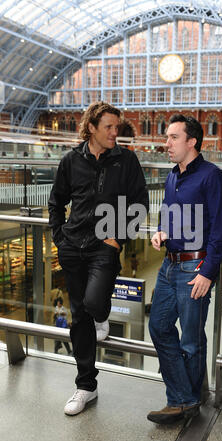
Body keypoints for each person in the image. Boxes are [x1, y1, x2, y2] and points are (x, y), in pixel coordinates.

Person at [48, 101, 149, 415]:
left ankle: (101, 314)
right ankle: (85, 387)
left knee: (92, 305)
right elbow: (56, 202)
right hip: (72, 248)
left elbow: (140, 204)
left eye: (117, 127)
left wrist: (118, 239)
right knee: (79, 319)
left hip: (105, 247)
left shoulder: (126, 161)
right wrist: (59, 237)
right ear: (91, 127)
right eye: (108, 127)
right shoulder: (70, 161)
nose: (115, 132)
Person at [147, 114, 222, 424]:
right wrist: (161, 231)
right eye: (167, 137)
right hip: (169, 267)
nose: (166, 143)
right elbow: (169, 216)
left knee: (192, 340)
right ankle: (187, 396)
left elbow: (219, 230)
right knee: (158, 327)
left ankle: (185, 401)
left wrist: (207, 272)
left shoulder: (212, 177)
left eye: (173, 137)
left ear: (191, 141)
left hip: (194, 268)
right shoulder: (173, 176)